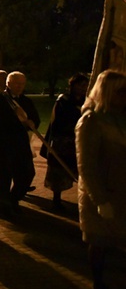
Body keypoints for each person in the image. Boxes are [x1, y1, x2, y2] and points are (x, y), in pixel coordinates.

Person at [76, 69, 126, 289]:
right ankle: (98, 284)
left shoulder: (122, 118)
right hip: (103, 193)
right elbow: (86, 165)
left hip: (123, 191)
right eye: (121, 91)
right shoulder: (91, 121)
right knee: (100, 242)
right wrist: (100, 199)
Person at [0, 71, 40, 216]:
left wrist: (32, 122)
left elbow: (35, 119)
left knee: (27, 174)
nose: (19, 86)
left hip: (21, 146)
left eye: (22, 83)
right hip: (3, 146)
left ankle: (13, 199)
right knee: (3, 179)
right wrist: (17, 122)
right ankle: (4, 207)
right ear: (8, 84)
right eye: (16, 83)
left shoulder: (26, 101)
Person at [44, 73, 88, 212]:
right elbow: (58, 122)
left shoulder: (86, 101)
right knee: (59, 172)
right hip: (63, 142)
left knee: (81, 171)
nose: (83, 88)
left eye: (85, 86)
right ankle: (56, 201)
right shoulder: (63, 100)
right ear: (73, 85)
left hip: (79, 141)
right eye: (80, 85)